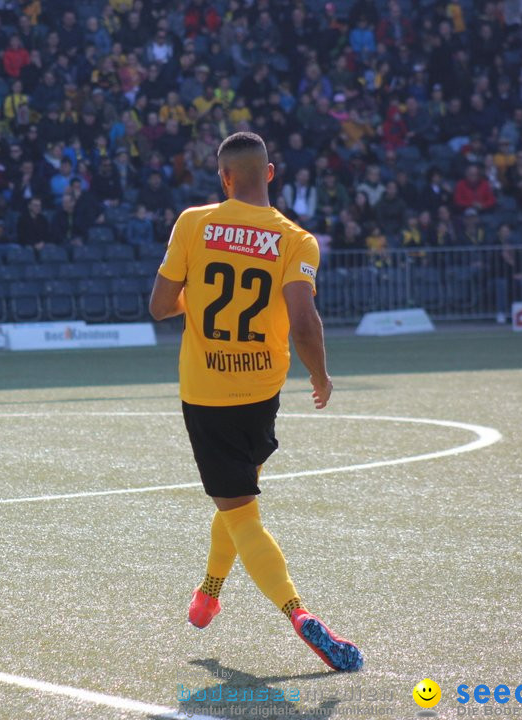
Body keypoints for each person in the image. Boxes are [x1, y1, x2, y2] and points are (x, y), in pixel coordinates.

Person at [148, 131, 363, 673]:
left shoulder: (194, 222)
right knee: (240, 496)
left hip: (206, 395)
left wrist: (196, 292)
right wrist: (321, 374)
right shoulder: (297, 239)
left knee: (240, 512)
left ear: (224, 178)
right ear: (270, 174)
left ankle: (298, 613)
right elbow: (304, 320)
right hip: (263, 393)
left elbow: (159, 305)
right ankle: (210, 591)